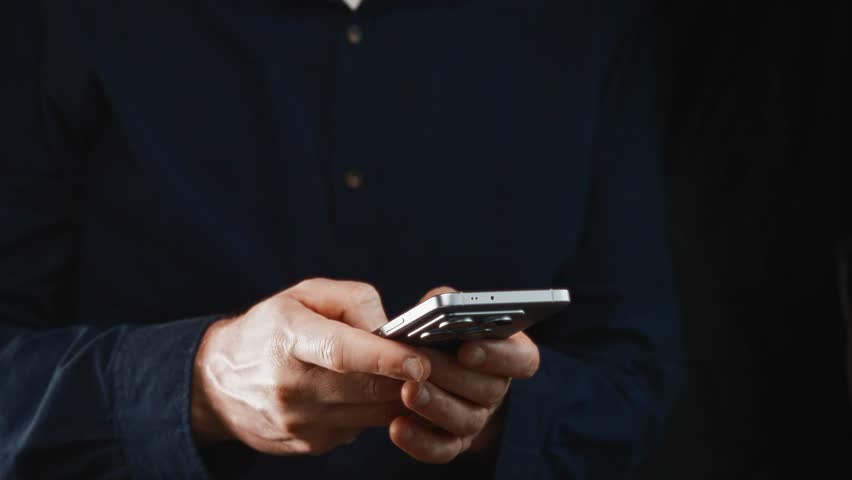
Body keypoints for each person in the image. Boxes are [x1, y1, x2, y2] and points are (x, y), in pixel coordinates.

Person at [0, 0, 682, 478]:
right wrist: (201, 385)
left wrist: (494, 413)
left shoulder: (587, 19)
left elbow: (639, 382)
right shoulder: (58, 14)